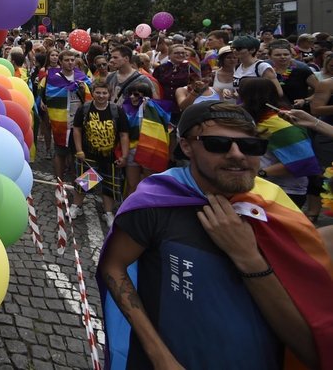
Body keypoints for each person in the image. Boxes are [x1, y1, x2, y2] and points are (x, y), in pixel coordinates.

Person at [99, 102, 333, 369]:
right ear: (186, 146)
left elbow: (314, 350)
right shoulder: (155, 202)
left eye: (250, 146)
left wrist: (248, 257)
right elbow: (114, 266)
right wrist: (159, 355)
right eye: (217, 144)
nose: (237, 154)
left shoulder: (278, 210)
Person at [238, 77, 320, 209]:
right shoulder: (256, 119)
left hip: (285, 192)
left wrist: (260, 173)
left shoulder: (280, 123)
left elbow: (304, 161)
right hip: (264, 188)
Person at [72, 84, 130, 226]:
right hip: (89, 155)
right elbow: (77, 130)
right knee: (84, 183)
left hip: (110, 157)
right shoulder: (85, 109)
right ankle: (76, 206)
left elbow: (123, 135)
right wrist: (79, 150)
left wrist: (125, 156)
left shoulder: (117, 111)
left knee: (109, 186)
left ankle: (108, 213)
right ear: (92, 93)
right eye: (98, 92)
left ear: (109, 94)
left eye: (104, 93)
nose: (101, 96)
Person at [40, 49, 93, 184]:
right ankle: (60, 182)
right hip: (61, 121)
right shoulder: (51, 77)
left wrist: (83, 89)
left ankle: (81, 186)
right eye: (66, 60)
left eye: (72, 60)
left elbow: (92, 93)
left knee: (81, 152)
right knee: (60, 151)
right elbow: (48, 95)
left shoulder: (81, 76)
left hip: (80, 121)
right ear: (60, 62)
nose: (70, 63)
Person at [268, 38, 318, 106]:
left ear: (291, 55)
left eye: (286, 54)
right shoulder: (268, 72)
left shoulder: (302, 70)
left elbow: (320, 90)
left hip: (298, 109)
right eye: (278, 55)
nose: (282, 57)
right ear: (269, 57)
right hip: (273, 109)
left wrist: (305, 100)